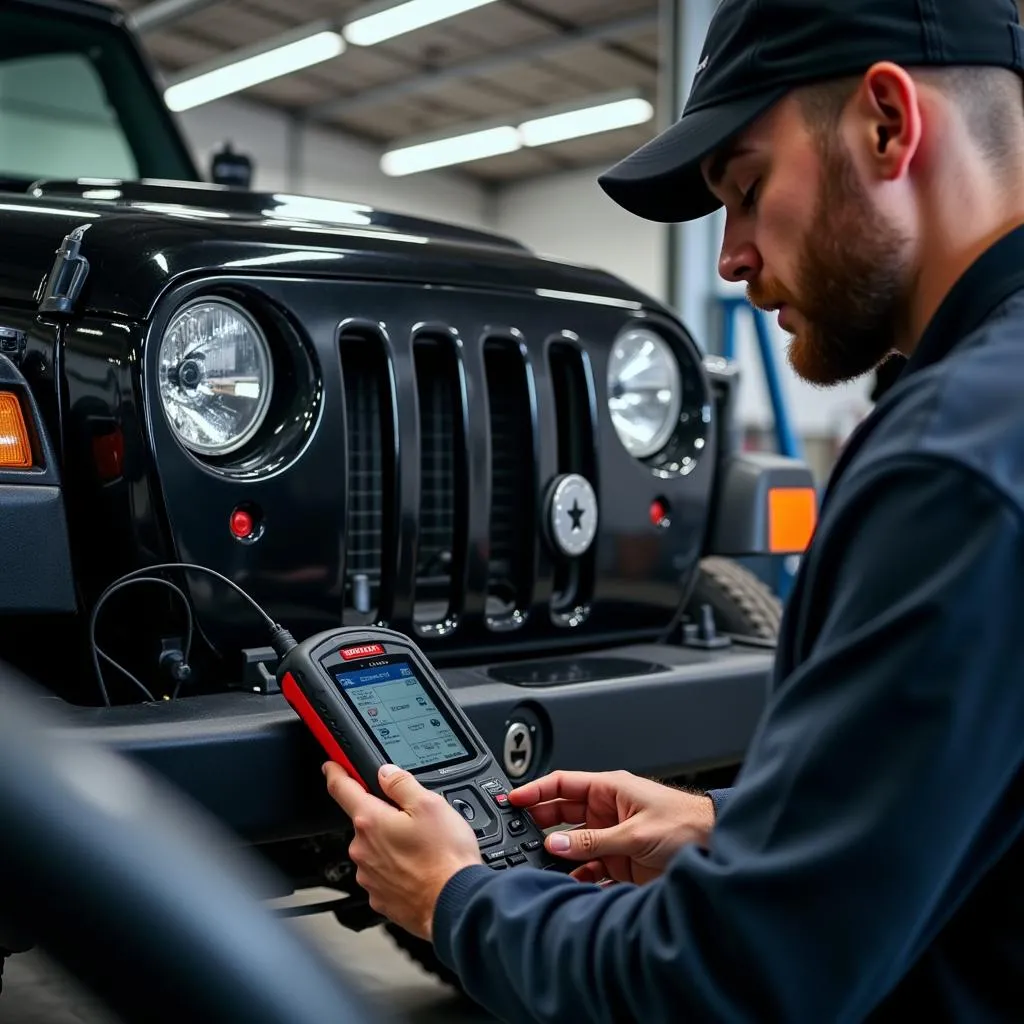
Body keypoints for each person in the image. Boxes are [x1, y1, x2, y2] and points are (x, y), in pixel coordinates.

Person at [323, 0, 1024, 1019]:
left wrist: (458, 899)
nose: (731, 257)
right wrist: (732, 827)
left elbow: (736, 976)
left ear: (885, 123)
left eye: (745, 189)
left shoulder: (950, 461)